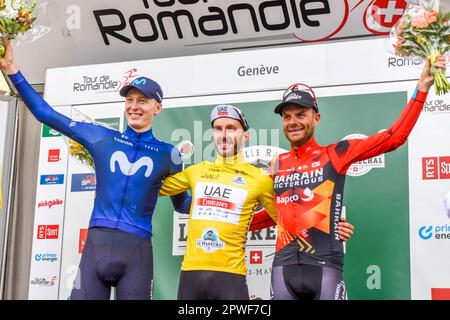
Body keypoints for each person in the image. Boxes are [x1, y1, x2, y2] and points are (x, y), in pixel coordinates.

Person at [0, 42, 191, 300]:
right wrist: (12, 70)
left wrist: (219, 203)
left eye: (143, 101)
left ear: (158, 108)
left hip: (137, 252)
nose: (134, 106)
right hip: (95, 248)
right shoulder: (102, 137)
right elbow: (45, 114)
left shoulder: (170, 155)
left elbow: (182, 205)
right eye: (130, 100)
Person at [250, 55, 447, 300]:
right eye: (287, 116)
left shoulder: (336, 153)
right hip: (282, 270)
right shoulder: (277, 164)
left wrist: (420, 90)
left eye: (301, 114)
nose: (293, 122)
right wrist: (224, 220)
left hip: (325, 268)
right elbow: (273, 216)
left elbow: (394, 137)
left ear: (316, 118)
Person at [159, 104, 354, 300]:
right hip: (190, 275)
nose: (224, 135)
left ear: (246, 137)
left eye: (231, 128)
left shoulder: (259, 179)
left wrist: (329, 226)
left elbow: (288, 217)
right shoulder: (196, 171)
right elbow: (148, 189)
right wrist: (166, 158)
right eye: (218, 129)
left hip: (231, 277)